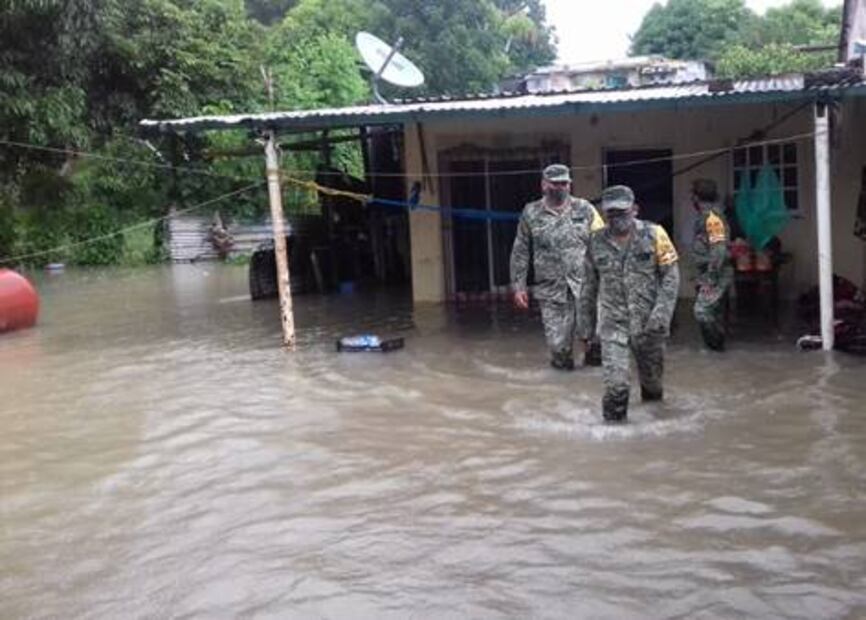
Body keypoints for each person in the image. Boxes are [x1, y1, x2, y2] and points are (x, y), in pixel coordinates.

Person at [580, 185, 680, 423]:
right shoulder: (595, 242)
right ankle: (615, 445)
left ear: (635, 209)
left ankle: (653, 439)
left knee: (653, 388)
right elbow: (588, 287)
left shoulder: (655, 234)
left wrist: (661, 317)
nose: (616, 219)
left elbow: (671, 277)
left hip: (650, 325)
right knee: (616, 388)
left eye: (622, 212)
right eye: (611, 213)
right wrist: (585, 329)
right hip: (613, 325)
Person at [510, 163, 605, 370]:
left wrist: (611, 281)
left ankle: (587, 394)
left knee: (595, 345)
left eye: (565, 183)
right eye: (556, 183)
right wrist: (519, 286)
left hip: (586, 288)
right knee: (559, 349)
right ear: (544, 185)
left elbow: (602, 245)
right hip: (551, 291)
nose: (561, 187)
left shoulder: (586, 209)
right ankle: (563, 383)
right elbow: (521, 250)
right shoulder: (531, 212)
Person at [690, 179, 732, 351]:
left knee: (701, 311)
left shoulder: (713, 219)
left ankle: (717, 347)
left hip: (716, 274)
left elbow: (719, 251)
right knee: (714, 313)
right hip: (707, 272)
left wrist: (710, 279)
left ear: (696, 198)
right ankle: (716, 357)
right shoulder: (705, 218)